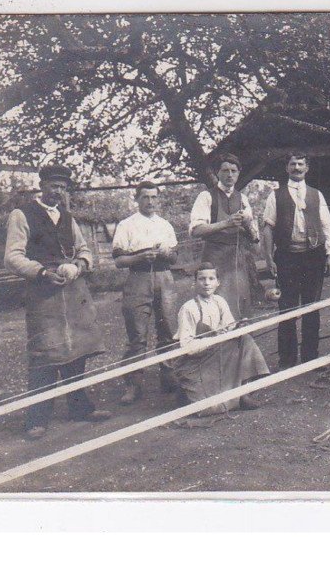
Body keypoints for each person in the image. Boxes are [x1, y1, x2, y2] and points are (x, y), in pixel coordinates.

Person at [3, 164, 112, 440]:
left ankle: (80, 408)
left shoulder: (67, 216)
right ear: (42, 185)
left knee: (77, 351)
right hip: (43, 292)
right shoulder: (22, 214)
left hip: (73, 291)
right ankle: (36, 419)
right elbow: (12, 257)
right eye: (53, 185)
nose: (58, 191)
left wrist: (79, 264)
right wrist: (41, 272)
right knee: (45, 354)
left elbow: (85, 249)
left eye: (62, 187)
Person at [262, 153, 330, 368]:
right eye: (292, 164)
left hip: (313, 256)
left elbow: (327, 226)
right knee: (287, 307)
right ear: (286, 168)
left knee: (311, 307)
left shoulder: (316, 195)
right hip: (287, 257)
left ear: (307, 168)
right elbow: (268, 228)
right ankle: (287, 359)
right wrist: (268, 258)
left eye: (300, 164)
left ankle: (311, 357)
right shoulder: (275, 195)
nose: (296, 167)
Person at [112, 181, 180, 404]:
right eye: (145, 197)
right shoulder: (126, 225)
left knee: (168, 330)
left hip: (164, 277)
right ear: (137, 199)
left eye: (154, 197)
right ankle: (133, 385)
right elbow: (119, 260)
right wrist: (140, 257)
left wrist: (167, 253)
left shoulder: (165, 225)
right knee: (137, 335)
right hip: (138, 278)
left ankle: (169, 377)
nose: (150, 202)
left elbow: (175, 257)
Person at [173, 262, 268, 416]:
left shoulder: (220, 302)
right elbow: (187, 347)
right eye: (202, 279)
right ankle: (186, 392)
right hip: (196, 362)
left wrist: (238, 328)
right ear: (195, 282)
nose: (207, 283)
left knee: (245, 340)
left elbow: (229, 328)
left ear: (218, 282)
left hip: (218, 353)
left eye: (211, 278)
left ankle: (244, 392)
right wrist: (216, 338)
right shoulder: (189, 308)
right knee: (208, 408)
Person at [189, 153, 261, 321]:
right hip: (214, 259)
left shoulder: (242, 199)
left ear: (238, 173)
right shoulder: (206, 196)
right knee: (215, 306)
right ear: (217, 173)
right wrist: (226, 223)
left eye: (233, 171)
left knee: (240, 305)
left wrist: (248, 226)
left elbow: (254, 240)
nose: (230, 175)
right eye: (225, 170)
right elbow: (196, 230)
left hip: (237, 260)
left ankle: (240, 343)